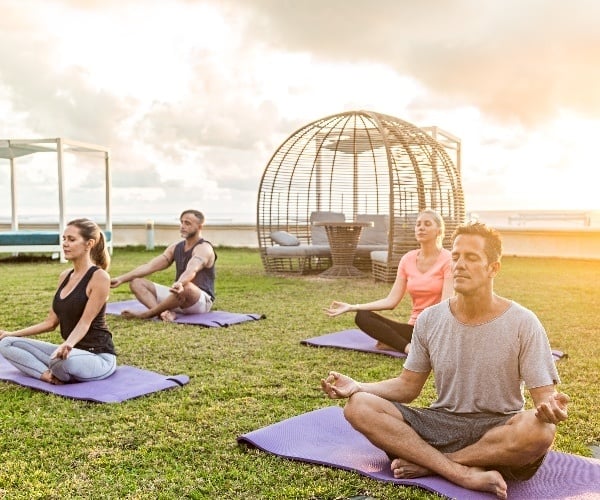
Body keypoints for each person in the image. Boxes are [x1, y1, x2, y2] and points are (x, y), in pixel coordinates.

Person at [321, 222, 569, 499]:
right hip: (440, 424)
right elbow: (407, 387)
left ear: (493, 268)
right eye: (456, 257)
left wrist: (550, 407)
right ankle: (459, 472)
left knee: (541, 431)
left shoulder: (523, 322)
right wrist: (359, 386)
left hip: (498, 430)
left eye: (472, 258)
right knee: (358, 406)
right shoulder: (430, 319)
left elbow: (544, 398)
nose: (460, 264)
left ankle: (433, 463)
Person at [0, 218, 117, 384]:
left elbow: (85, 323)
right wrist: (11, 333)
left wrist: (67, 344)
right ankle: (46, 375)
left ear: (89, 244)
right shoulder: (65, 276)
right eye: (64, 239)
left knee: (58, 360)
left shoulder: (99, 277)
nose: (65, 244)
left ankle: (55, 368)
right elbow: (50, 323)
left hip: (97, 356)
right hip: (70, 351)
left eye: (72, 239)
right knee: (7, 344)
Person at [324, 209, 453, 354]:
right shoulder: (407, 259)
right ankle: (409, 349)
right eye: (418, 224)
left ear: (439, 230)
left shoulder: (448, 259)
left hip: (437, 328)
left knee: (433, 335)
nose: (421, 228)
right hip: (414, 329)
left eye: (427, 224)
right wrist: (352, 307)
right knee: (363, 316)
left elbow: (445, 307)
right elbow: (391, 301)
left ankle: (395, 343)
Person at [110, 209, 216, 322]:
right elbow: (149, 266)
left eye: (188, 223)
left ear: (200, 227)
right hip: (177, 296)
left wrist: (180, 283)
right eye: (182, 222)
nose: (183, 226)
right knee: (136, 282)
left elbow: (192, 269)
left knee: (187, 287)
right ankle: (163, 313)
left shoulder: (204, 248)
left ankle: (147, 314)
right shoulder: (176, 247)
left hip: (198, 301)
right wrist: (121, 279)